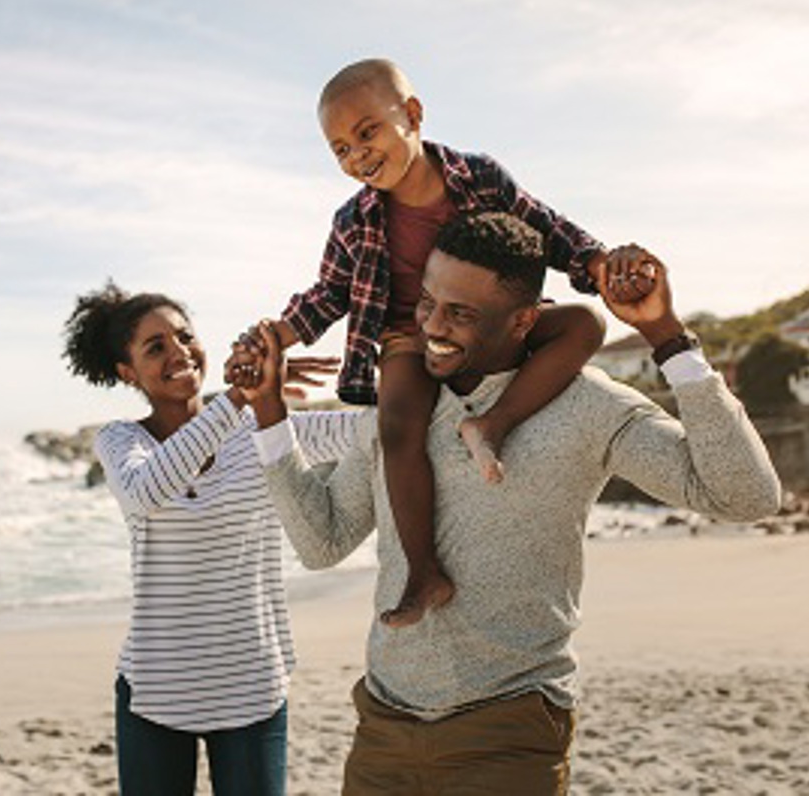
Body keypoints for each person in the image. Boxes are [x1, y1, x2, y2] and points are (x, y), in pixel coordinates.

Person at [239, 212, 780, 795]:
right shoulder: (397, 412)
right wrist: (269, 410)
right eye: (427, 303)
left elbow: (745, 495)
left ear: (524, 320)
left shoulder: (586, 407)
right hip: (384, 727)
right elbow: (322, 543)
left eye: (461, 314)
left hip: (510, 729)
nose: (432, 327)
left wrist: (666, 335)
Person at [230, 58, 653, 628]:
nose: (357, 157)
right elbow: (329, 293)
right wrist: (277, 335)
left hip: (487, 326)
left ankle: (493, 423)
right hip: (409, 337)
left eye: (367, 133)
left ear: (412, 114)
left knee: (585, 325)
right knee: (397, 425)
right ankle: (424, 573)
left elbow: (548, 228)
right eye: (340, 150)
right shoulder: (353, 220)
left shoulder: (479, 177)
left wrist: (600, 264)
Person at [62, 282, 356, 796]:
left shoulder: (264, 428)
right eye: (156, 347)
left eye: (184, 336)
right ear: (128, 372)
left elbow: (374, 432)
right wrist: (239, 397)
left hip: (253, 686)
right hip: (157, 690)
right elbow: (147, 489)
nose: (179, 352)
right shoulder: (121, 441)